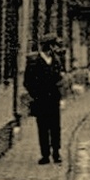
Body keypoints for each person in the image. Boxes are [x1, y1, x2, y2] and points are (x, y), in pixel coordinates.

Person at [24, 34, 65, 165]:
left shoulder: (56, 60)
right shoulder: (34, 61)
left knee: (55, 127)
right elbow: (27, 81)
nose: (56, 48)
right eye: (54, 45)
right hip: (40, 100)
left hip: (53, 99)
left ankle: (56, 152)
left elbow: (59, 78)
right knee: (42, 127)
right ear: (49, 46)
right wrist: (35, 94)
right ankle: (45, 154)